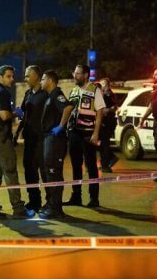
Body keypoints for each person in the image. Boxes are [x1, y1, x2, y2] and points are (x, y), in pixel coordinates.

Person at [0, 65, 34, 219]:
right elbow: (4, 116)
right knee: (10, 172)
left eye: (12, 76)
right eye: (8, 76)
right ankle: (19, 209)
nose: (12, 79)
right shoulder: (3, 93)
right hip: (1, 138)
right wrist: (16, 113)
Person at [63, 64, 105, 208]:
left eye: (78, 73)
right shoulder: (74, 91)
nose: (75, 75)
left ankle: (94, 198)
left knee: (91, 166)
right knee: (76, 165)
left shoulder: (95, 90)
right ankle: (76, 196)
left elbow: (100, 112)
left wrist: (96, 133)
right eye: (74, 73)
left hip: (88, 133)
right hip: (74, 132)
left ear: (86, 75)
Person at [38, 70, 72, 219]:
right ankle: (51, 204)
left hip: (55, 139)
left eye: (43, 79)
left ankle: (56, 208)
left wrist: (61, 125)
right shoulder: (49, 96)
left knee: (53, 172)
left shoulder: (57, 94)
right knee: (48, 171)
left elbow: (68, 107)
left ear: (50, 80)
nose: (41, 81)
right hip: (48, 138)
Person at [15, 65, 48, 211]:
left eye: (28, 75)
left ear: (37, 76)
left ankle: (51, 202)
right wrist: (17, 133)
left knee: (44, 171)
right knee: (29, 170)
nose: (25, 78)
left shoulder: (46, 95)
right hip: (29, 138)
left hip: (41, 139)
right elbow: (24, 115)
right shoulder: (28, 94)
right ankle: (34, 200)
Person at [97, 78, 119, 173]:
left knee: (104, 143)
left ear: (106, 85)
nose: (101, 86)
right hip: (105, 121)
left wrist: (107, 110)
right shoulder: (107, 94)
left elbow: (113, 107)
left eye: (102, 85)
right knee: (102, 143)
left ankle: (106, 165)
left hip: (107, 122)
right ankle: (108, 160)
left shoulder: (108, 94)